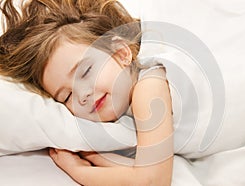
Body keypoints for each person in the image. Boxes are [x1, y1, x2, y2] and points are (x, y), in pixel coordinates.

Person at [0, 0, 174, 185]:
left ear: (121, 53)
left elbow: (153, 181)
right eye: (67, 96)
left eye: (85, 71)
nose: (82, 95)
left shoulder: (149, 86)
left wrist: (77, 169)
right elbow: (141, 170)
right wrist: (98, 158)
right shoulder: (118, 124)